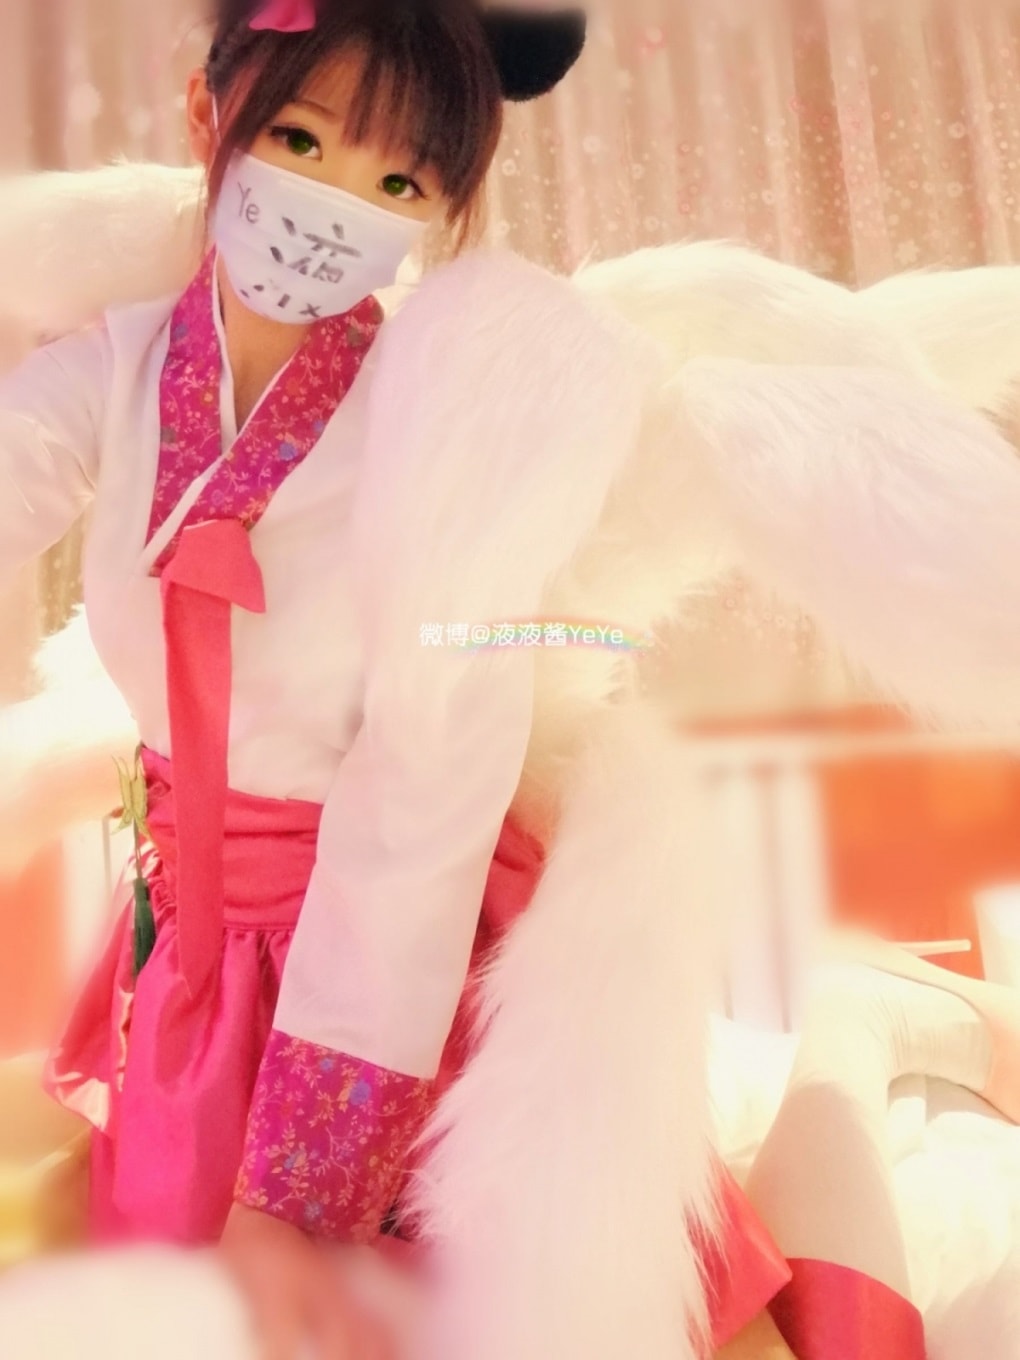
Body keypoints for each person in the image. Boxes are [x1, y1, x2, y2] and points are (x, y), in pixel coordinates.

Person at [9, 5, 1020, 1352]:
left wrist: (301, 1186)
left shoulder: (446, 425)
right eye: (300, 141)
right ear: (211, 116)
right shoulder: (121, 368)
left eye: (399, 180)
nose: (336, 204)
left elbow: (424, 795)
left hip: (399, 961)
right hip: (199, 962)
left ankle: (862, 1027)